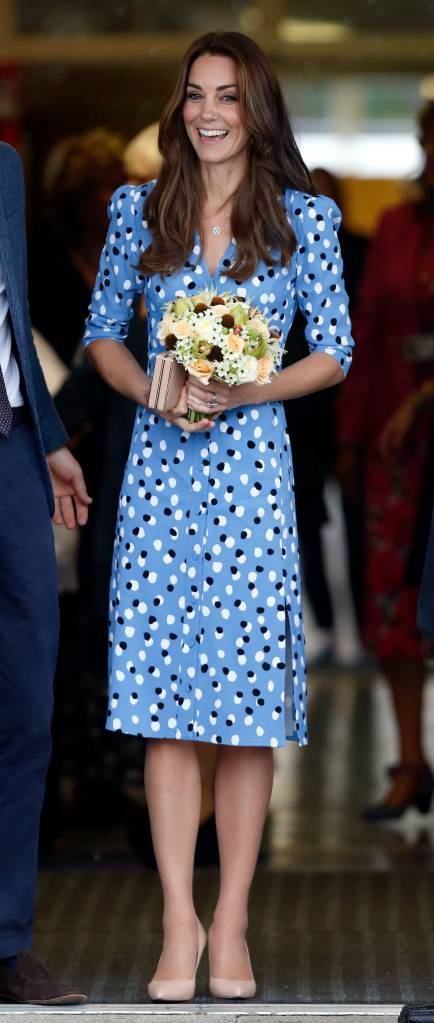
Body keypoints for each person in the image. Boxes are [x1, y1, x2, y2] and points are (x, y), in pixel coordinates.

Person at [84, 31, 354, 1001]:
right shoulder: (137, 210)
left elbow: (337, 351)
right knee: (164, 713)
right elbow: (99, 338)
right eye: (194, 94)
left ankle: (231, 920)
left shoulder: (304, 219)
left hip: (248, 475)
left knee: (241, 719)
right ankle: (176, 921)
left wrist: (249, 393)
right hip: (159, 481)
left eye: (226, 97)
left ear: (256, 110)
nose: (206, 112)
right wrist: (151, 391)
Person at [0, 142, 91, 1005]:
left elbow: (11, 315)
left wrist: (52, 437)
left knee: (26, 700)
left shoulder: (3, 166)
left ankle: (5, 939)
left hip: (15, 448)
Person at [336, 101, 434, 819]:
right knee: (395, 595)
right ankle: (409, 760)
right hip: (397, 445)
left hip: (424, 416)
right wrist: (350, 436)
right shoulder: (398, 227)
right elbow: (364, 331)